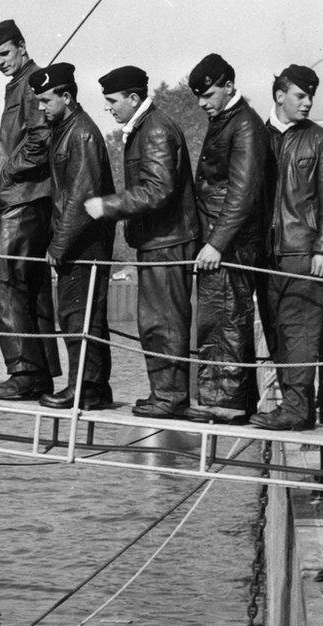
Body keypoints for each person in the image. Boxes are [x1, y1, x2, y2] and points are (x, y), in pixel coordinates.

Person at [85, 65, 199, 419]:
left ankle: (169, 398)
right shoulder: (145, 127)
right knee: (155, 322)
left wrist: (108, 205)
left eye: (112, 101)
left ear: (134, 98)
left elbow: (159, 189)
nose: (109, 109)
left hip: (167, 241)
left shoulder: (155, 130)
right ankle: (165, 395)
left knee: (163, 322)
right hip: (157, 241)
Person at [252, 64, 323, 431]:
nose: (308, 102)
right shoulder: (257, 138)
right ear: (280, 95)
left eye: (310, 96)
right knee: (277, 332)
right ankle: (294, 407)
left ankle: (297, 409)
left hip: (302, 254)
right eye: (300, 95)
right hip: (265, 257)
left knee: (301, 333)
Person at [0, 19, 60, 402]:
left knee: (0, 283)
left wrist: (8, 172)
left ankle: (26, 373)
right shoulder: (22, 82)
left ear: (22, 46)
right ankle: (40, 373)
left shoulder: (32, 83)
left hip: (26, 198)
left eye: (5, 53)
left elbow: (41, 139)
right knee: (28, 288)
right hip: (26, 198)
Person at [187, 54, 268, 425]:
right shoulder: (226, 120)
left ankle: (228, 402)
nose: (203, 103)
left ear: (229, 86)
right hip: (220, 237)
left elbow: (243, 192)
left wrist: (217, 243)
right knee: (218, 318)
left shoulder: (245, 126)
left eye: (208, 94)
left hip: (231, 243)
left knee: (229, 318)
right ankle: (224, 399)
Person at [29, 62, 114, 409]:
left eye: (47, 100)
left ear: (66, 96)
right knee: (76, 315)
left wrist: (59, 245)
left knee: (81, 316)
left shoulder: (81, 133)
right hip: (77, 243)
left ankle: (87, 389)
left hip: (84, 245)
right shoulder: (67, 129)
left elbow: (81, 197)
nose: (41, 107)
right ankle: (87, 386)